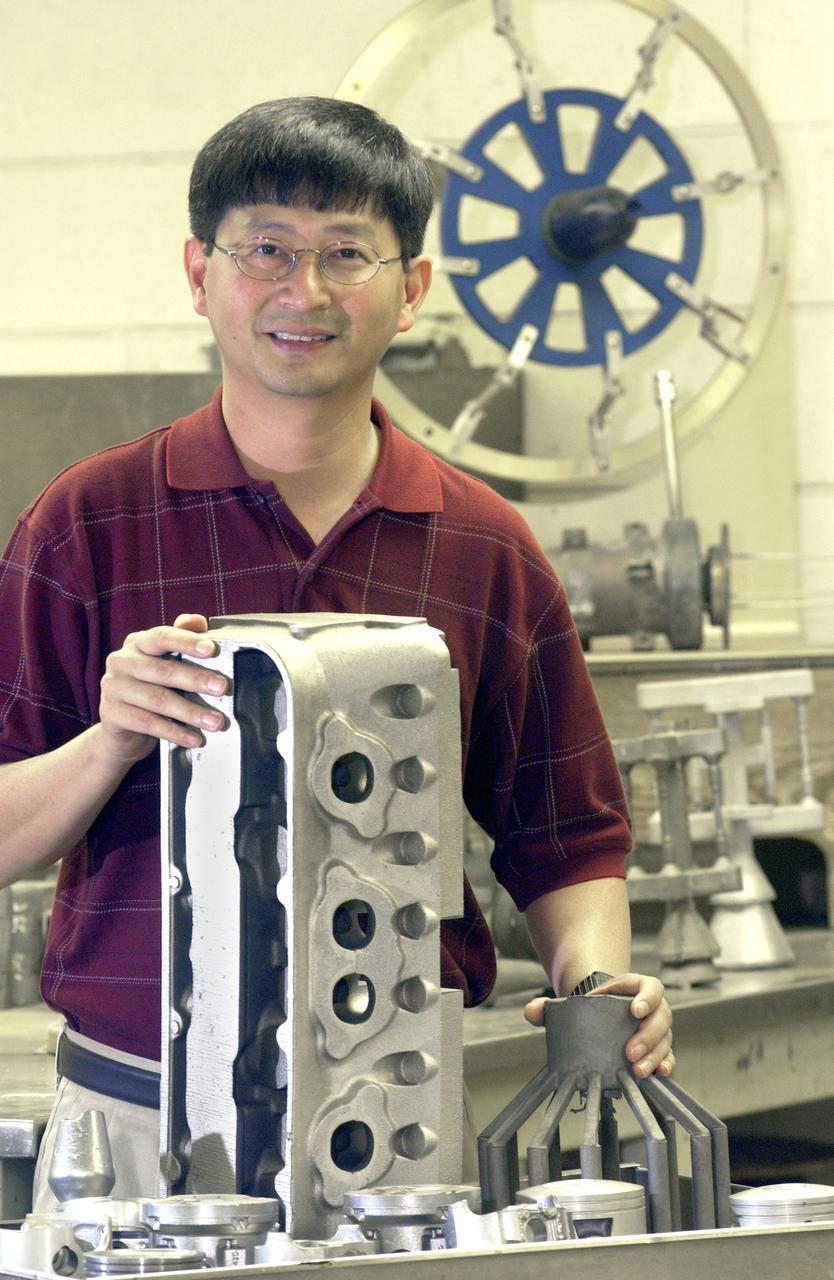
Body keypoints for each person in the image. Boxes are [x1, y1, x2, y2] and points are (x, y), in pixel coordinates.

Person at [0, 97, 673, 1208]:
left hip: (399, 1111)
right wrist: (111, 740)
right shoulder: (89, 523)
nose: (303, 291)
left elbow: (566, 840)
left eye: (346, 254)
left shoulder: (482, 545)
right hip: (132, 1117)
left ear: (411, 289)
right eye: (265, 249)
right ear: (200, 271)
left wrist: (598, 983)